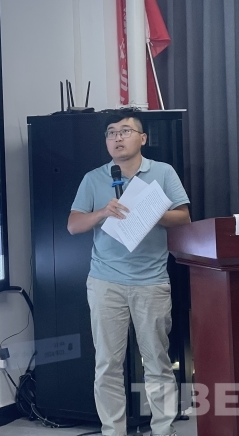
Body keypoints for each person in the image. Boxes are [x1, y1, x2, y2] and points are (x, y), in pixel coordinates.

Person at [67, 109, 190, 436]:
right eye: (111, 132)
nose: (117, 138)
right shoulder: (94, 178)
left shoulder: (162, 172)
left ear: (142, 138)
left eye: (125, 131)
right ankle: (113, 431)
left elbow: (184, 217)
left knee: (157, 362)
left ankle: (163, 430)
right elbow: (73, 224)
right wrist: (102, 213)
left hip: (151, 282)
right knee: (108, 364)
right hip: (105, 282)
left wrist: (152, 212)